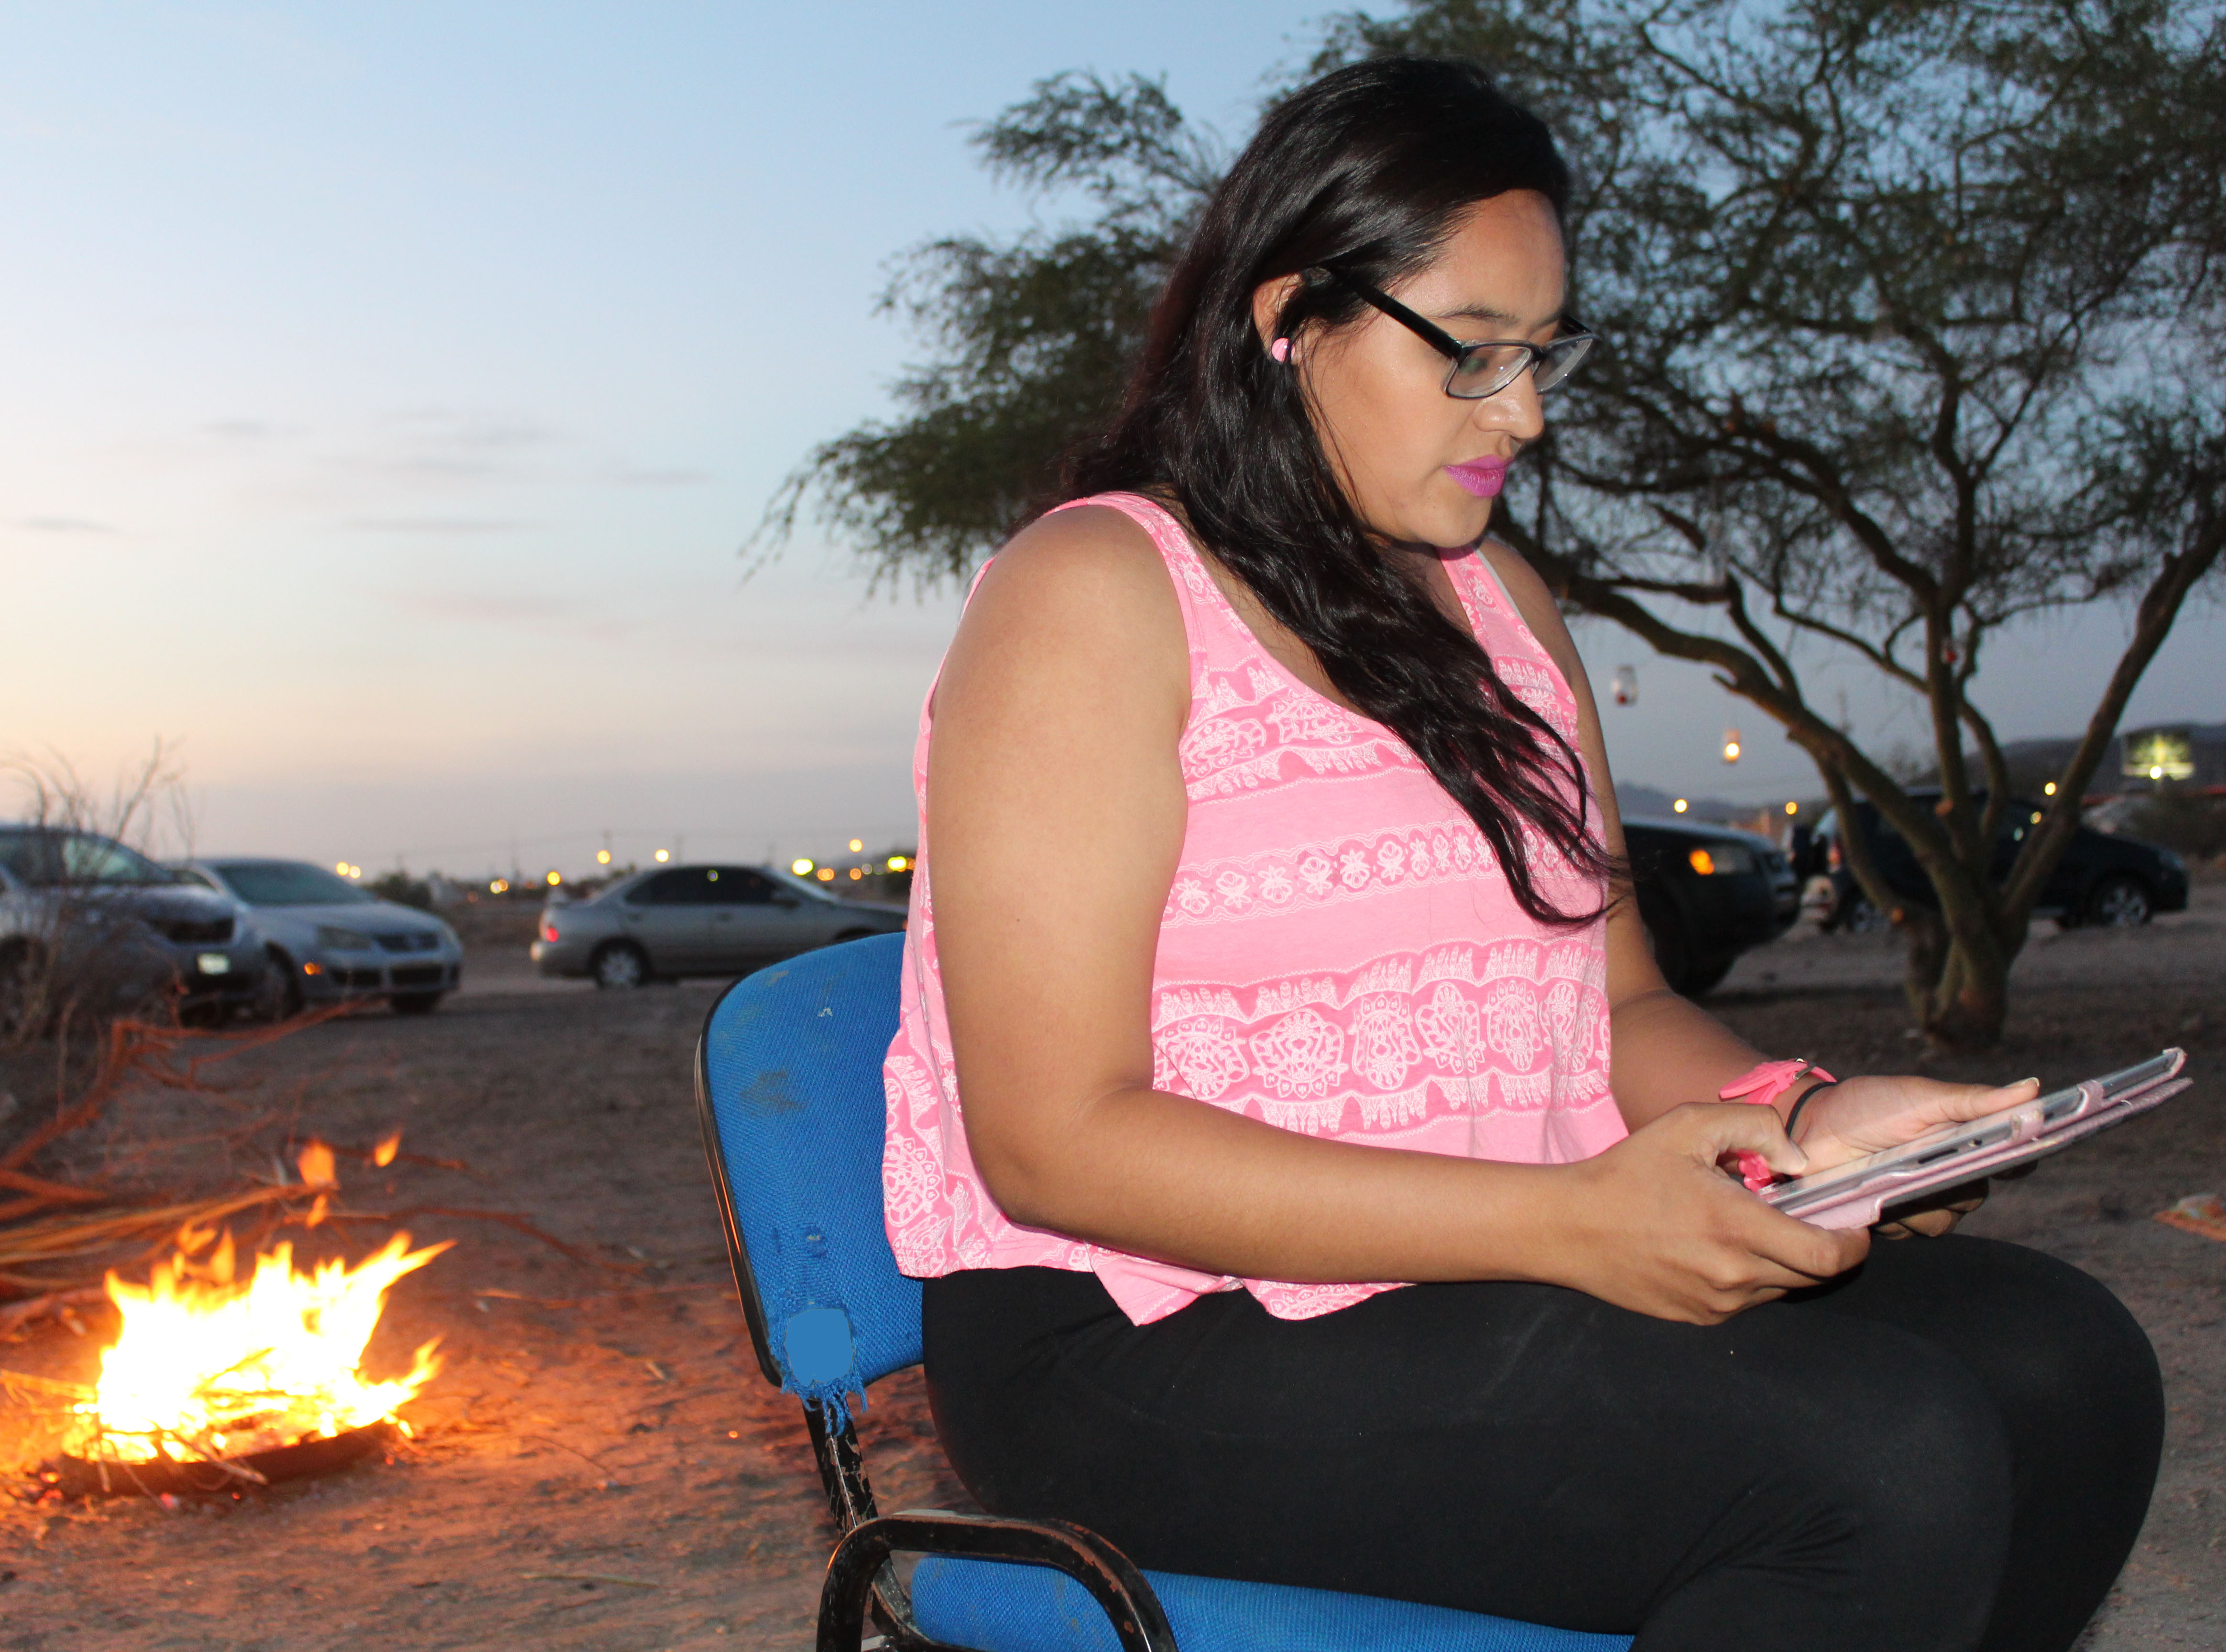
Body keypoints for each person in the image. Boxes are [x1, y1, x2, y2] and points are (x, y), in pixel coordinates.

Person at [881, 56, 2161, 1652]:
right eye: (1474, 355)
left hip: (1484, 1257)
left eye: (1544, 354)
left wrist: (1813, 1120)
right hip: (1142, 1323)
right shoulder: (1094, 595)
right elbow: (1057, 1142)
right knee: (1877, 1457)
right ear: (1292, 321)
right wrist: (1567, 1228)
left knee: (2066, 1366)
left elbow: (1616, 1014)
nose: (1529, 413)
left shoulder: (1498, 601)